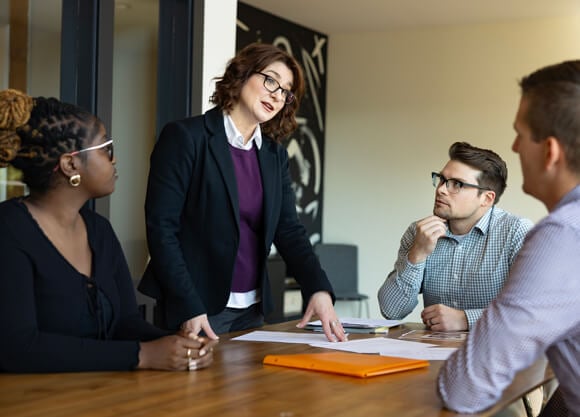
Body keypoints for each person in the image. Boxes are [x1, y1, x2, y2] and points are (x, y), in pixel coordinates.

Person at [138, 43, 347, 343]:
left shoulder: (274, 155)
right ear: (242, 74)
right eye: (271, 80)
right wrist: (188, 304)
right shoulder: (186, 138)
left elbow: (289, 230)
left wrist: (318, 289)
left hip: (253, 310)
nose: (277, 95)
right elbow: (162, 229)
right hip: (197, 309)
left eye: (286, 91)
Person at [0, 89, 215, 372]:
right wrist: (143, 355)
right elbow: (18, 348)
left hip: (102, 397)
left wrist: (177, 343)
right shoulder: (9, 229)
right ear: (70, 164)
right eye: (106, 149)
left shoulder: (98, 230)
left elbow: (124, 323)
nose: (114, 160)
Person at [438, 60, 580, 416]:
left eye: (520, 133)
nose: (514, 147)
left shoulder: (563, 235)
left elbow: (465, 389)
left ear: (550, 152)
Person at [378, 141, 533, 331]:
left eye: (456, 184)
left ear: (486, 199)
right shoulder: (419, 232)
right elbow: (391, 311)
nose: (441, 189)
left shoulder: (517, 232)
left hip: (500, 354)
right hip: (432, 352)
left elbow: (532, 308)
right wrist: (416, 254)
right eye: (442, 179)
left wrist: (466, 319)